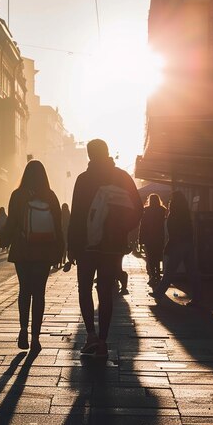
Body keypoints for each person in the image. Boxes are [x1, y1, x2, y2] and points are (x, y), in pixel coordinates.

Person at [68, 139, 143, 358]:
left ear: (89, 155)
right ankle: (102, 341)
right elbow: (138, 209)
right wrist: (122, 229)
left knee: (84, 288)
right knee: (105, 292)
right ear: (108, 152)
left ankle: (90, 335)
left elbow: (76, 216)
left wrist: (71, 247)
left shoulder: (83, 179)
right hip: (112, 246)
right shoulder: (122, 177)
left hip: (86, 245)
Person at [0, 160, 63, 353]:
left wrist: (4, 240)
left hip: (22, 249)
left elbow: (11, 222)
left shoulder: (17, 195)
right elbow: (58, 225)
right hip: (43, 250)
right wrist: (60, 251)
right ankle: (36, 337)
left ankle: (23, 330)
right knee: (39, 293)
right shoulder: (50, 196)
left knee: (24, 290)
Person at [149, 190, 201, 306]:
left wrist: (169, 246)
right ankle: (197, 297)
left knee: (170, 271)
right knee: (192, 272)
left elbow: (173, 233)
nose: (170, 201)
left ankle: (159, 292)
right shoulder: (185, 214)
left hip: (178, 245)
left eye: (172, 199)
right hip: (187, 244)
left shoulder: (174, 214)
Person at [139, 193, 166, 287]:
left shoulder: (146, 210)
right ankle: (158, 275)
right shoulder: (162, 210)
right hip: (159, 237)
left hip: (149, 238)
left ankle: (153, 276)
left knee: (150, 258)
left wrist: (140, 239)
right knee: (158, 257)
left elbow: (143, 226)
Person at [61, 203, 71, 267]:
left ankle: (63, 258)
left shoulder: (61, 214)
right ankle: (65, 258)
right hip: (67, 232)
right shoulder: (68, 214)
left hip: (62, 232)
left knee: (62, 245)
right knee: (66, 245)